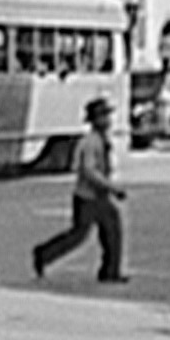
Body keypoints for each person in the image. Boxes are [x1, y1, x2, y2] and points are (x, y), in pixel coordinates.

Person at [33, 95, 128, 283]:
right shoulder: (91, 142)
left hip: (97, 196)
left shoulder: (102, 140)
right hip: (88, 197)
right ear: (96, 120)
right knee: (79, 236)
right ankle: (44, 254)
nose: (109, 120)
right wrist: (112, 188)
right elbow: (88, 170)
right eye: (105, 116)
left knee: (111, 229)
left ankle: (110, 271)